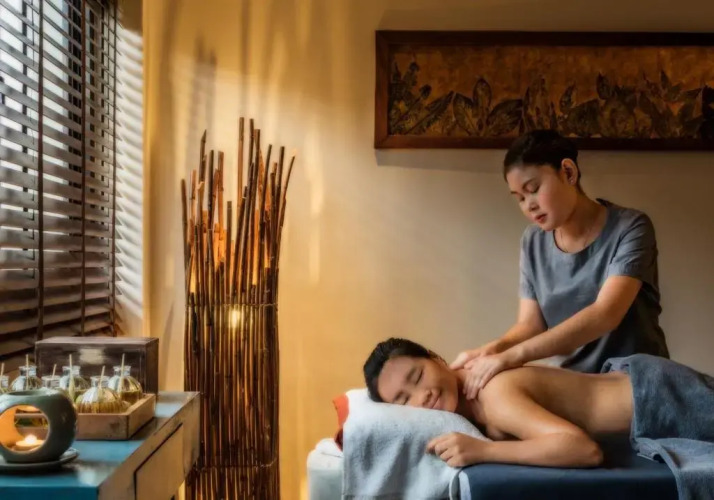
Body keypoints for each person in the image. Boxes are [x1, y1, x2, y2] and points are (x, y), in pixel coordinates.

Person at [451, 130, 669, 399]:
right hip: (572, 385)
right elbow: (530, 325)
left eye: (533, 190)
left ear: (568, 172)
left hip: (633, 382)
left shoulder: (631, 227)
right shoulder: (532, 241)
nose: (529, 206)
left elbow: (605, 314)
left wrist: (513, 356)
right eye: (519, 198)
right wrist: (492, 350)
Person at [363, 337, 714, 482]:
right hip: (638, 388)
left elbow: (583, 449)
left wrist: (484, 451)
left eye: (417, 376)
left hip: (657, 396)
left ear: (438, 359)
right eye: (404, 400)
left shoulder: (493, 395)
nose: (422, 396)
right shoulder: (465, 402)